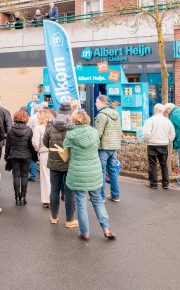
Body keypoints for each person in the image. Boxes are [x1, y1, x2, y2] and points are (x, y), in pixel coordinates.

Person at [64, 110, 116, 241]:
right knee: (97, 200)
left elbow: (65, 148)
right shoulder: (94, 132)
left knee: (81, 203)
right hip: (94, 171)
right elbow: (97, 145)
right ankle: (106, 228)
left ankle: (85, 232)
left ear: (74, 121)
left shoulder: (70, 135)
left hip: (78, 172)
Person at [43, 112, 78, 227]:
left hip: (54, 161)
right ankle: (69, 220)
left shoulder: (50, 125)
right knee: (70, 192)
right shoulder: (73, 125)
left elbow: (45, 142)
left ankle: (54, 217)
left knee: (54, 190)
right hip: (69, 162)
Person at [5, 110, 38, 206]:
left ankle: (16, 197)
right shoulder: (28, 130)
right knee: (24, 176)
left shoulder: (11, 130)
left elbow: (8, 145)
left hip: (14, 155)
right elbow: (31, 145)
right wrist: (34, 156)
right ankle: (23, 197)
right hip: (26, 155)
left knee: (16, 175)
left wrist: (6, 156)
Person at [94, 95, 122, 202]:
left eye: (97, 102)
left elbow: (98, 134)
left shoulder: (102, 115)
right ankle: (116, 196)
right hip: (114, 146)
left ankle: (101, 197)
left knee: (101, 171)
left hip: (104, 147)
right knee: (112, 171)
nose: (95, 104)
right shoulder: (116, 113)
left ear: (102, 103)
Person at [142, 103, 175, 189]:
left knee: (152, 164)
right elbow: (172, 134)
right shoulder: (167, 121)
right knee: (164, 164)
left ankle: (153, 184)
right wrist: (168, 141)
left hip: (152, 144)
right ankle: (165, 184)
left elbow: (145, 133)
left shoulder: (150, 120)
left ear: (155, 110)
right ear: (163, 111)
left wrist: (146, 140)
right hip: (164, 145)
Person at [32, 109, 54, 208]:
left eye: (39, 115)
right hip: (56, 153)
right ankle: (55, 198)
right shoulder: (54, 126)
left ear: (43, 116)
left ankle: (46, 199)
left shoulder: (38, 127)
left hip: (44, 153)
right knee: (54, 176)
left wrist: (38, 150)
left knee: (45, 176)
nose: (37, 116)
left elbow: (35, 142)